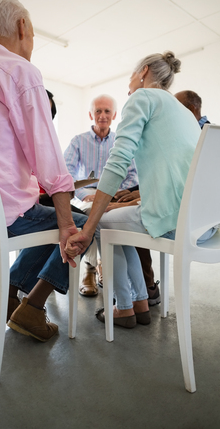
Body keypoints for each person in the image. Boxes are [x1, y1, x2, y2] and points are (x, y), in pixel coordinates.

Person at [0, 0, 88, 342]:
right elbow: (46, 153)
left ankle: (4, 296)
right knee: (81, 225)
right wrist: (68, 221)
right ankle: (33, 309)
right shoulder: (20, 70)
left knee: (46, 215)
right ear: (23, 27)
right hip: (1, 220)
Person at [65, 51, 217, 329]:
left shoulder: (142, 98)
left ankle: (125, 307)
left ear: (143, 71)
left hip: (177, 221)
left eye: (131, 75)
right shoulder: (182, 111)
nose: (129, 83)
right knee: (116, 226)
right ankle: (140, 303)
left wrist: (88, 228)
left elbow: (118, 163)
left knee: (102, 226)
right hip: (206, 222)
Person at [64, 95, 158, 302]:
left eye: (107, 111)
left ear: (114, 115)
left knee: (111, 217)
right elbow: (67, 174)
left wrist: (112, 195)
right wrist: (85, 195)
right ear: (91, 114)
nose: (102, 115)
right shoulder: (78, 141)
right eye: (98, 111)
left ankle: (106, 270)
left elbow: (133, 174)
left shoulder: (121, 141)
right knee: (91, 216)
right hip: (85, 196)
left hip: (114, 196)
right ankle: (92, 268)